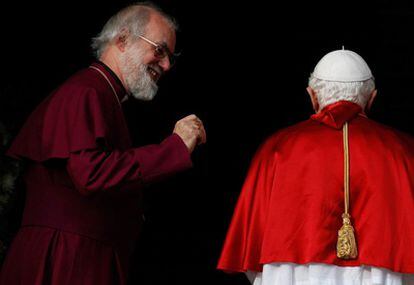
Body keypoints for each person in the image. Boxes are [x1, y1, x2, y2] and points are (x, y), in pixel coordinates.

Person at [0, 2, 206, 285]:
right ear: (122, 40)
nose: (167, 65)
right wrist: (175, 147)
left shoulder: (103, 93)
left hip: (79, 256)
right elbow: (91, 175)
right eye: (159, 50)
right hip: (64, 261)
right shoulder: (86, 91)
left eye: (171, 56)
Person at [217, 49, 414, 284]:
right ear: (372, 98)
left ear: (312, 96)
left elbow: (251, 249)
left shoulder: (277, 148)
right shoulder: (404, 150)